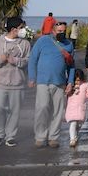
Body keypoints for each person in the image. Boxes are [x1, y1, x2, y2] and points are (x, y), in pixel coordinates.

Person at [29, 20, 76, 148]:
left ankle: (53, 137)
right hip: (43, 81)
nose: (62, 33)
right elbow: (33, 59)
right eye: (59, 31)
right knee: (42, 108)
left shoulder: (69, 44)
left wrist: (70, 82)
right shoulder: (43, 41)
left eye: (64, 31)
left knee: (58, 111)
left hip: (60, 82)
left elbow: (71, 66)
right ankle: (40, 136)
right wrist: (32, 77)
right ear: (53, 31)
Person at [0, 16, 31, 148]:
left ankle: (10, 136)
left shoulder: (25, 44)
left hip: (17, 83)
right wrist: (0, 59)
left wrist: (16, 61)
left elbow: (28, 60)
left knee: (15, 110)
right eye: (21, 28)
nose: (23, 30)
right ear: (13, 29)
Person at [65, 69, 88, 148]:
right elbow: (66, 93)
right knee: (73, 123)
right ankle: (72, 139)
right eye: (76, 80)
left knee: (79, 124)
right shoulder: (71, 85)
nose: (77, 82)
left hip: (80, 108)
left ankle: (75, 135)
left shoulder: (85, 85)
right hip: (72, 108)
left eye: (79, 79)